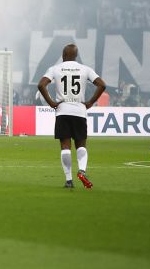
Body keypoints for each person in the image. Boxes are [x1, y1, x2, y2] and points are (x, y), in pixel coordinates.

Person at [38, 44, 106, 189]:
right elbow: (102, 85)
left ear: (63, 55)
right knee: (81, 145)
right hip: (80, 110)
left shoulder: (55, 69)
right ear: (76, 55)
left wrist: (51, 102)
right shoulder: (85, 69)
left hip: (63, 110)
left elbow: (41, 85)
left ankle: (68, 181)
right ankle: (82, 171)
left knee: (65, 147)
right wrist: (91, 102)